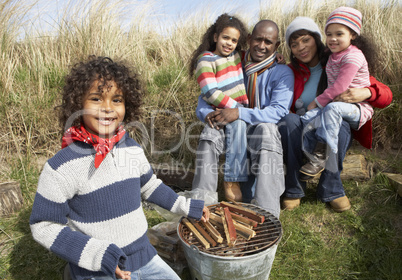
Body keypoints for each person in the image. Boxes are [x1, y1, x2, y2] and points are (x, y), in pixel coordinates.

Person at [29, 56, 209, 280]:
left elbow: (150, 186)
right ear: (78, 104)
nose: (107, 108)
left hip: (144, 256)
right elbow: (44, 225)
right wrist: (98, 256)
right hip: (97, 268)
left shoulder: (131, 148)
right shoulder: (62, 167)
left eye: (117, 100)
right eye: (96, 99)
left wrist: (187, 206)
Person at [279, 16, 392, 212]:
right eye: (294, 44)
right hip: (302, 131)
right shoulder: (290, 71)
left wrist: (368, 92)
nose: (301, 47)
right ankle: (294, 188)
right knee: (289, 120)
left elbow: (386, 95)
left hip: (330, 129)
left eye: (306, 40)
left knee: (339, 124)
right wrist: (274, 60)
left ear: (316, 39)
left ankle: (332, 188)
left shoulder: (337, 59)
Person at [192, 19, 294, 219]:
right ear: (249, 39)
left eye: (268, 42)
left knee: (267, 129)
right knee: (211, 130)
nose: (262, 46)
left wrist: (239, 113)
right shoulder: (233, 62)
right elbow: (206, 95)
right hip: (232, 130)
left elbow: (277, 111)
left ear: (277, 46)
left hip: (259, 135)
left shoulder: (282, 72)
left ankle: (268, 213)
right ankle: (202, 206)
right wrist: (207, 114)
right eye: (258, 40)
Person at [298, 7, 377, 180]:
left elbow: (340, 87)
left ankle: (322, 155)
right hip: (336, 105)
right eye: (329, 34)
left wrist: (317, 102)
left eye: (339, 34)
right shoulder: (333, 55)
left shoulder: (353, 57)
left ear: (353, 35)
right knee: (307, 117)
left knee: (331, 109)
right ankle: (310, 154)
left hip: (357, 108)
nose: (333, 39)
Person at [189, 13, 249, 202]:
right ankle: (211, 191)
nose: (229, 43)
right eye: (225, 38)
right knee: (214, 135)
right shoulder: (206, 60)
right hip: (220, 112)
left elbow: (258, 55)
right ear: (215, 37)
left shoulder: (237, 57)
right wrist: (235, 107)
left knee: (239, 127)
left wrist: (277, 57)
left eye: (234, 40)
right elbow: (209, 92)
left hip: (237, 112)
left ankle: (232, 180)